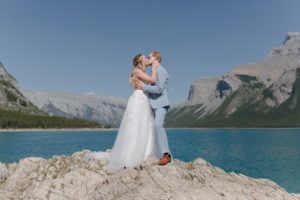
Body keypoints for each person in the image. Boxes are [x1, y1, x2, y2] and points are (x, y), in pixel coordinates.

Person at [85, 54, 161, 173]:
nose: (146, 59)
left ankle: (145, 152)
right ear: (140, 62)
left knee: (144, 125)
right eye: (144, 58)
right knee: (135, 126)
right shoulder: (137, 71)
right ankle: (132, 155)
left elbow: (149, 83)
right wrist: (155, 68)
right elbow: (152, 80)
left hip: (142, 98)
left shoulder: (139, 72)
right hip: (139, 99)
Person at [135, 51, 172, 165]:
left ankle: (166, 154)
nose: (148, 58)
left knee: (158, 125)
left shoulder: (161, 70)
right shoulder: (154, 71)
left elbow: (159, 89)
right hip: (153, 104)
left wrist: (143, 87)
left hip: (161, 104)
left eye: (149, 57)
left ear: (155, 58)